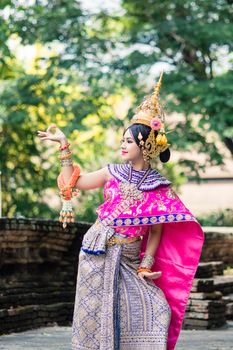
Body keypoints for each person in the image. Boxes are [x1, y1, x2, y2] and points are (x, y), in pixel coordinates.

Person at [37, 73, 204, 350]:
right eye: (122, 140)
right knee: (95, 318)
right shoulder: (111, 172)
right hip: (97, 251)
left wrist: (146, 265)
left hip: (128, 258)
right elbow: (73, 182)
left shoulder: (159, 187)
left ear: (146, 145)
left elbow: (156, 231)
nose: (122, 145)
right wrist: (64, 147)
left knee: (156, 309)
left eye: (129, 141)